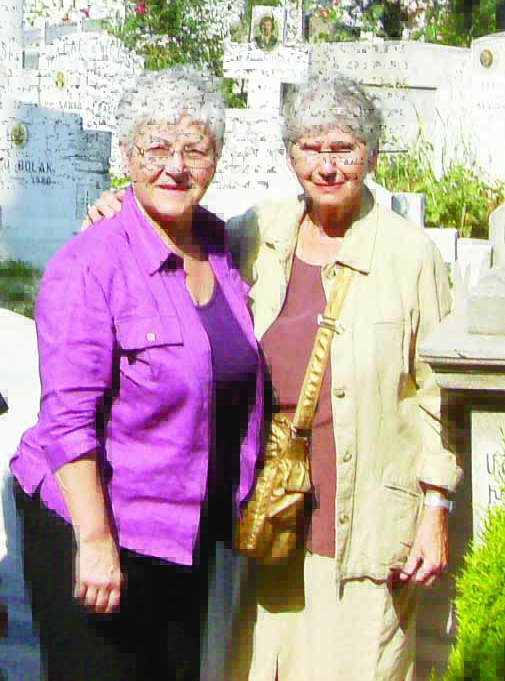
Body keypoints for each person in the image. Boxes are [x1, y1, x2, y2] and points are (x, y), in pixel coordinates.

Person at [87, 74, 461, 681]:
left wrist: (436, 508)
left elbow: (436, 397)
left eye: (345, 148)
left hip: (364, 523)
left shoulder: (410, 256)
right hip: (266, 517)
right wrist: (112, 208)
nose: (328, 165)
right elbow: (169, 228)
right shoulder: (256, 234)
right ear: (290, 155)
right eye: (312, 147)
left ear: (370, 154)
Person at [11, 67, 265, 681]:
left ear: (216, 158)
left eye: (195, 149)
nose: (176, 166)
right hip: (100, 521)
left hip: (185, 525)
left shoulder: (219, 244)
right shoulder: (90, 264)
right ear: (126, 155)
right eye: (155, 148)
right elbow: (68, 419)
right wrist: (95, 542)